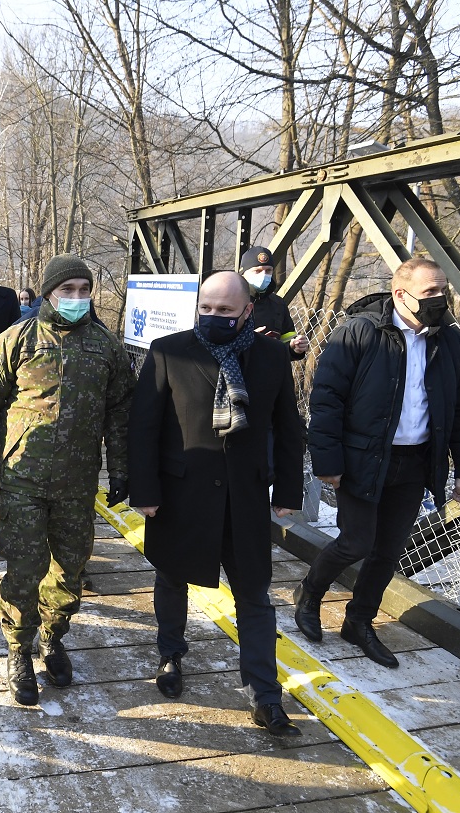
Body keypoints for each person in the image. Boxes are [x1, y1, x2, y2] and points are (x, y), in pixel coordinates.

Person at [128, 270, 305, 736]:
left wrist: (288, 491)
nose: (214, 316)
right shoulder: (170, 350)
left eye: (225, 310)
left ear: (247, 310)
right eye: (206, 308)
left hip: (245, 497)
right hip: (180, 494)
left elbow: (288, 426)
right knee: (171, 578)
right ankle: (170, 654)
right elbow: (144, 426)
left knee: (254, 595)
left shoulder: (270, 356)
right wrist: (144, 491)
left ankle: (265, 694)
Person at [0, 254, 134, 706]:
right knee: (25, 565)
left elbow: (120, 415)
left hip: (77, 482)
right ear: (48, 291)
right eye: (67, 289)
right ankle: (19, 648)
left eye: (83, 289)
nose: (76, 298)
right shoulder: (16, 340)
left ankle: (53, 637)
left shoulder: (105, 347)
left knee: (69, 567)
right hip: (23, 478)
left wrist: (120, 469)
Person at [295, 257, 460, 667]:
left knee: (388, 551)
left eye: (443, 289)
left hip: (415, 461)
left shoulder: (450, 342)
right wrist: (327, 460)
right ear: (401, 294)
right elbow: (326, 400)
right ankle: (310, 594)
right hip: (363, 459)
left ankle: (359, 621)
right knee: (356, 542)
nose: (441, 299)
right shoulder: (361, 333)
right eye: (430, 292)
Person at [240, 246, 308, 359]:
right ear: (243, 273)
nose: (263, 275)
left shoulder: (278, 304)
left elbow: (286, 341)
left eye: (268, 271)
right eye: (257, 271)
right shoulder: (230, 302)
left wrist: (294, 348)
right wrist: (248, 339)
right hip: (236, 372)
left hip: (270, 373)